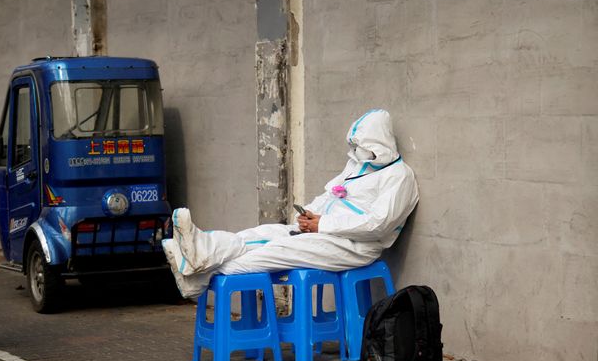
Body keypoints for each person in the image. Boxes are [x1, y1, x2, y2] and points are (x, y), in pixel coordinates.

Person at [162, 109, 419, 298]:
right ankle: (200, 249)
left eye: (363, 147)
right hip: (323, 231)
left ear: (382, 145)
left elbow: (378, 225)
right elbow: (330, 194)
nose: (357, 153)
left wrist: (323, 224)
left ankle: (198, 275)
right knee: (263, 234)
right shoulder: (358, 165)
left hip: (356, 245)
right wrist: (310, 215)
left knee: (272, 251)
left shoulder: (399, 177)